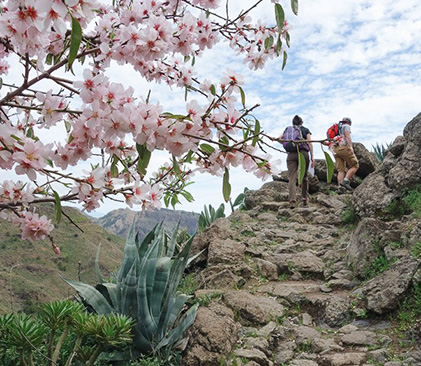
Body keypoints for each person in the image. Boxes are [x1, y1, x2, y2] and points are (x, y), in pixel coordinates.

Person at [280, 115, 315, 208]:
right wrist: (312, 157)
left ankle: (292, 201)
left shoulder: (288, 130)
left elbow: (280, 139)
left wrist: (288, 145)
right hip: (303, 153)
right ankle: (304, 199)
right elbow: (310, 143)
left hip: (291, 154)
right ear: (301, 122)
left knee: (292, 178)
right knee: (304, 176)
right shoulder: (305, 130)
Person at [330, 117, 359, 194]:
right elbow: (347, 136)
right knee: (355, 165)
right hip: (343, 148)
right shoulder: (346, 126)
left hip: (336, 149)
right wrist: (350, 146)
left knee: (341, 170)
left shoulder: (337, 128)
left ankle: (340, 188)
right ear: (349, 123)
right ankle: (345, 181)